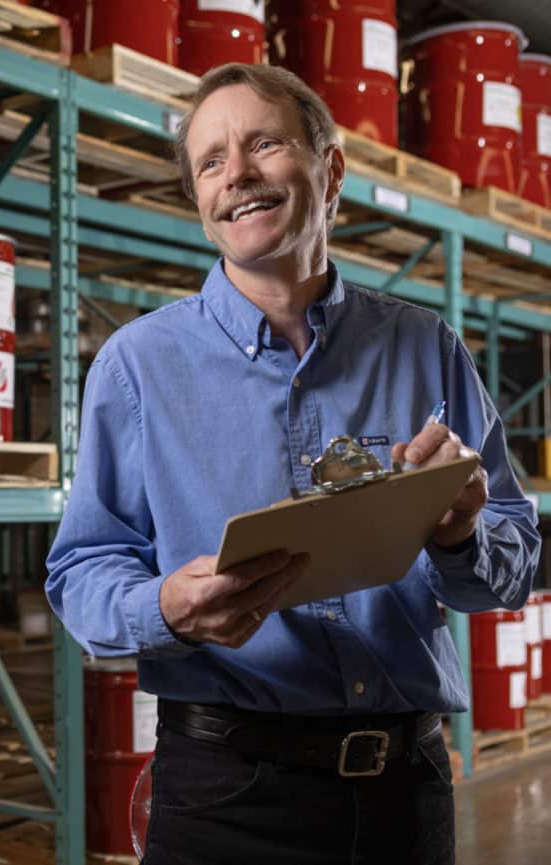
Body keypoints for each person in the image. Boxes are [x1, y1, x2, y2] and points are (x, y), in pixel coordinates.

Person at [45, 62, 540, 865]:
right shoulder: (138, 366)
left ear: (330, 166)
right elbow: (81, 571)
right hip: (224, 796)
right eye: (210, 160)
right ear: (201, 203)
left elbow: (511, 566)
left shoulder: (426, 350)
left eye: (263, 143)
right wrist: (164, 607)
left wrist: (461, 534)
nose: (235, 174)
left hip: (401, 792)